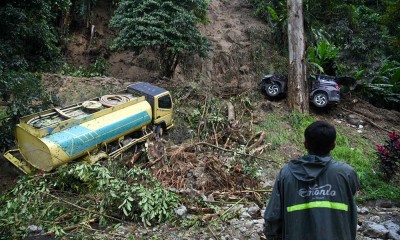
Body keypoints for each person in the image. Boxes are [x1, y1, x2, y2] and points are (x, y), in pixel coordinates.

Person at [264, 121, 360, 240]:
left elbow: (272, 216)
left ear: (305, 144)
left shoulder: (285, 174)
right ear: (333, 145)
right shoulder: (347, 173)